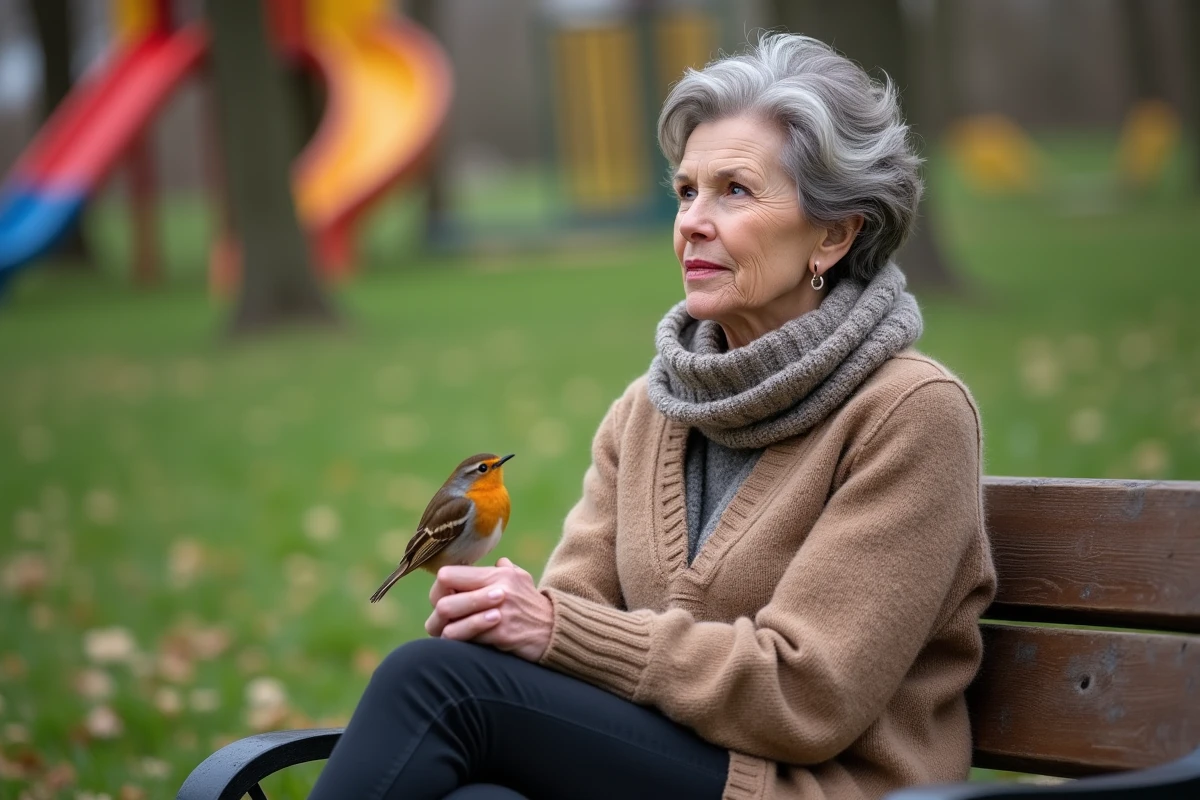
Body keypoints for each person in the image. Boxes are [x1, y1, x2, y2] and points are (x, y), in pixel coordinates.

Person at [308, 33, 997, 800]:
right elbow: (573, 613)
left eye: (734, 190)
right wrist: (512, 619)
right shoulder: (651, 409)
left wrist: (555, 631)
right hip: (659, 767)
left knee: (433, 684)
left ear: (835, 233)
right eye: (685, 191)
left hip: (810, 787)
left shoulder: (910, 415)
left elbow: (807, 696)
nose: (693, 222)